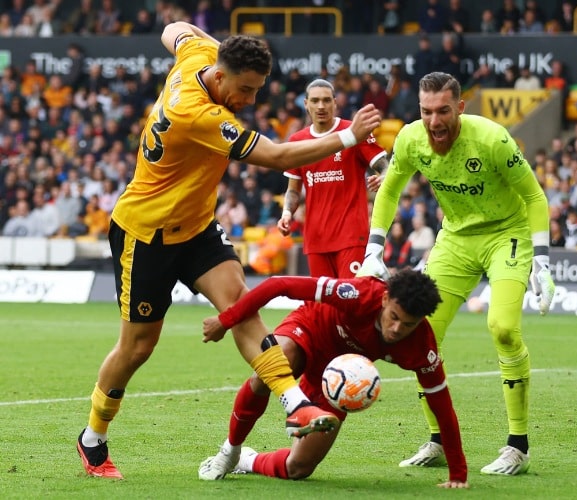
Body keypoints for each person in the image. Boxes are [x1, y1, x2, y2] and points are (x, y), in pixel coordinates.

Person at [75, 21, 382, 479]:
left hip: (196, 226)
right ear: (221, 79)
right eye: (245, 89)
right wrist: (349, 136)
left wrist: (226, 49)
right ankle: (93, 436)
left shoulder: (200, 55)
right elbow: (278, 157)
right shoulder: (199, 115)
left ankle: (293, 400)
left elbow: (174, 28)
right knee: (138, 347)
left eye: (257, 89)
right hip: (147, 234)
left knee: (239, 303)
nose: (251, 100)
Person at [358, 72, 555, 475]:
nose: (434, 121)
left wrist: (544, 259)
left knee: (502, 328)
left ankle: (517, 445)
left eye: (443, 110)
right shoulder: (411, 139)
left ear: (460, 108)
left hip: (507, 235)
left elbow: (535, 196)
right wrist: (374, 248)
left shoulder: (492, 138)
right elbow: (390, 189)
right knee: (418, 332)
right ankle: (439, 441)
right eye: (427, 111)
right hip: (455, 239)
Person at [197, 270, 468, 488]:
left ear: (421, 321)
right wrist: (226, 320)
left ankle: (247, 460)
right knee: (268, 371)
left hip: (340, 380)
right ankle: (230, 449)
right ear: (385, 300)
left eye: (407, 324)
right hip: (309, 331)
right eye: (393, 318)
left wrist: (458, 474)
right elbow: (279, 284)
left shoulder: (421, 347)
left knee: (298, 468)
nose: (397, 329)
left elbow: (442, 404)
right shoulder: (360, 294)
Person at [278, 79, 388, 278]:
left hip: (351, 235)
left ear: (335, 103)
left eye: (327, 100)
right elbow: (293, 189)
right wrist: (287, 212)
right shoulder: (297, 141)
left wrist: (384, 177)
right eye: (315, 100)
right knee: (324, 306)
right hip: (315, 238)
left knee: (350, 299)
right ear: (306, 104)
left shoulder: (354, 131)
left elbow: (384, 165)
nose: (321, 106)